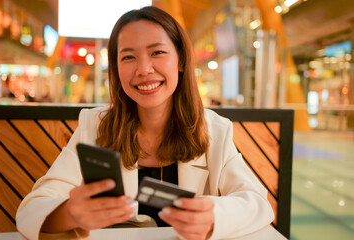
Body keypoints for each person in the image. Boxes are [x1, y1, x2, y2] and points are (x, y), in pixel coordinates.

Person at [16, 6, 274, 240]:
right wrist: (72, 212)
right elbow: (30, 210)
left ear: (181, 60)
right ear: (116, 68)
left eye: (157, 52)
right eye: (128, 57)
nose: (144, 69)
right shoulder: (94, 125)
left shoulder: (214, 130)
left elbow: (257, 203)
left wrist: (213, 215)